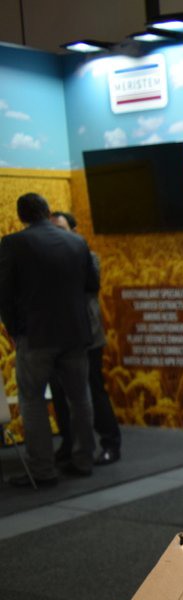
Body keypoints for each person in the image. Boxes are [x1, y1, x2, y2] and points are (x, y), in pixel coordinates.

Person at [0, 192, 98, 486]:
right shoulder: (77, 242)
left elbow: (4, 294)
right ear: (47, 211)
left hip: (36, 335)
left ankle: (43, 470)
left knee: (32, 401)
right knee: (80, 397)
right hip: (75, 333)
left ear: (21, 216)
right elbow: (91, 285)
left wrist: (15, 331)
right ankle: (84, 460)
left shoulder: (14, 243)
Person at [48, 211, 121, 465]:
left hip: (87, 336)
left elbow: (86, 287)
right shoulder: (46, 261)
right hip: (56, 337)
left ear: (74, 232)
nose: (55, 235)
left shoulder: (89, 258)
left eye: (61, 229)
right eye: (51, 230)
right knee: (59, 393)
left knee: (94, 390)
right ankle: (69, 444)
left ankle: (110, 443)